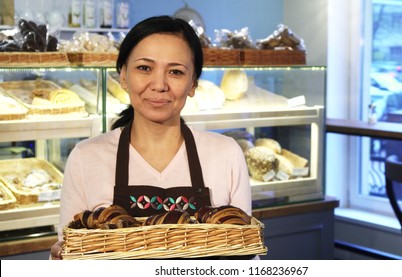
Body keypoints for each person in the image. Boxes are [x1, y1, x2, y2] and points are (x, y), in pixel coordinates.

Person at [50, 15, 252, 260]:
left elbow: (245, 258)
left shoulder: (226, 154)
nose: (159, 85)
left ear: (193, 84)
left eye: (176, 72)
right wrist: (61, 260)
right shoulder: (85, 157)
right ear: (123, 75)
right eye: (144, 68)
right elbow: (68, 254)